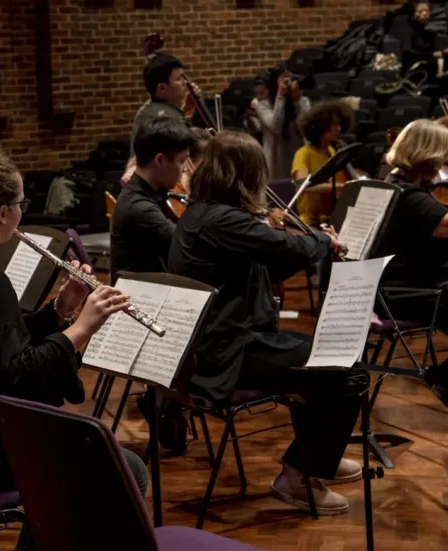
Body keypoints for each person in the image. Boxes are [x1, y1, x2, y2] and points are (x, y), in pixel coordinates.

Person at [0, 136, 149, 499]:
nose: (23, 213)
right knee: (128, 470)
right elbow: (19, 375)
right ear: (3, 214)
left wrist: (60, 310)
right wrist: (82, 328)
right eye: (21, 205)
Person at [168, 130, 362, 515]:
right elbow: (292, 248)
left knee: (320, 362)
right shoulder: (222, 220)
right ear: (246, 174)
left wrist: (299, 241)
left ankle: (317, 455)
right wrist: (323, 240)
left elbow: (269, 261)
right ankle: (298, 474)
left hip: (225, 343)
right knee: (345, 367)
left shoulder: (204, 213)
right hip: (226, 356)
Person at [374, 119, 448, 419]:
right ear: (427, 153)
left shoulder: (404, 186)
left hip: (421, 285)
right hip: (408, 292)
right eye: (443, 154)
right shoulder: (405, 194)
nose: (445, 161)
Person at [111, 118, 194, 284]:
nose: (185, 169)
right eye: (181, 161)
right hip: (139, 295)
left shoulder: (148, 192)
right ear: (160, 160)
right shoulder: (139, 208)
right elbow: (189, 246)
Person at [122, 53, 201, 185]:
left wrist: (188, 110)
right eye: (179, 79)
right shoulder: (156, 115)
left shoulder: (161, 109)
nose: (185, 83)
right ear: (162, 88)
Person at [291, 100, 356, 226]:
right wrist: (342, 186)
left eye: (340, 124)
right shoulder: (303, 153)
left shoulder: (332, 151)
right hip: (311, 222)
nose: (339, 128)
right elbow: (303, 186)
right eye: (334, 124)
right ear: (321, 126)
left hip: (331, 220)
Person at [252, 69, 311, 180]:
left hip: (296, 156)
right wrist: (280, 97)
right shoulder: (263, 105)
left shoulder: (303, 101)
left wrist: (297, 101)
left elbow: (306, 127)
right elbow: (276, 127)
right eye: (285, 82)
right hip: (276, 161)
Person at [403, 2, 448, 74]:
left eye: (427, 11)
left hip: (428, 60)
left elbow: (435, 48)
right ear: (412, 14)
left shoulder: (428, 33)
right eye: (420, 11)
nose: (425, 14)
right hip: (414, 64)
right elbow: (407, 52)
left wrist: (445, 51)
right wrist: (431, 54)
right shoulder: (407, 29)